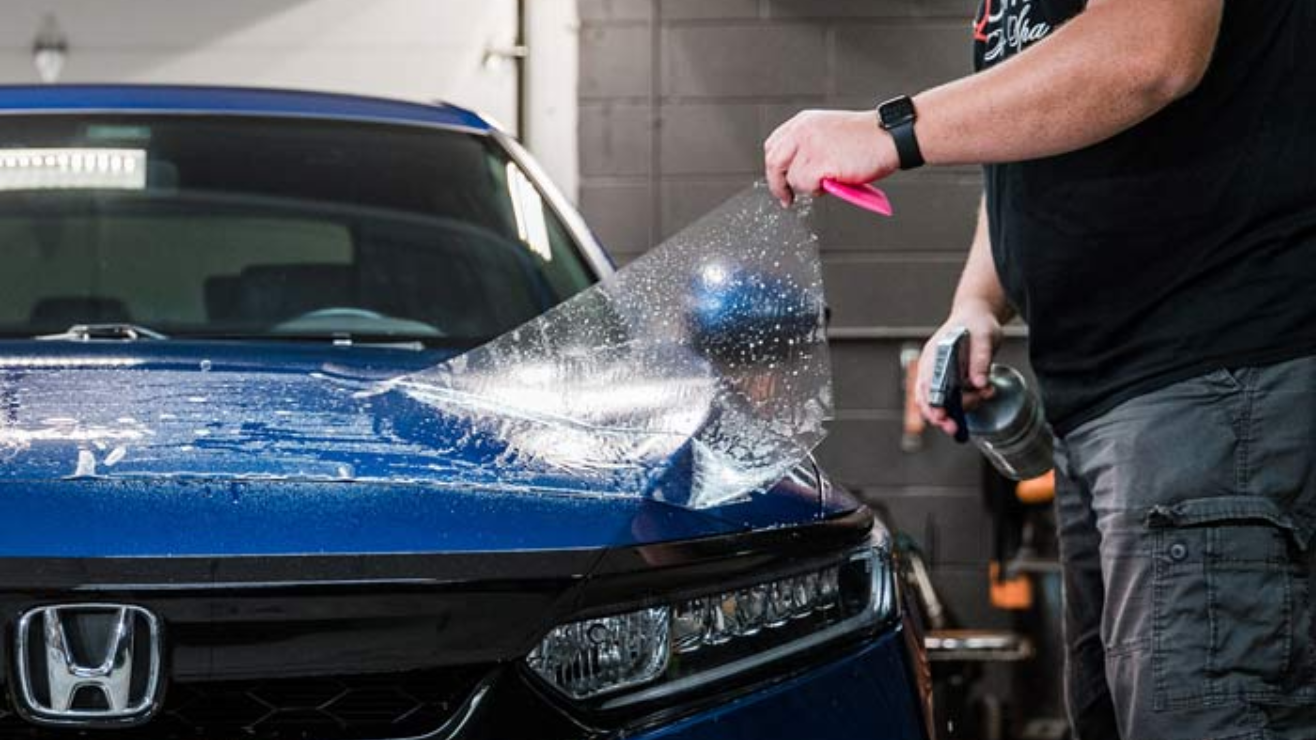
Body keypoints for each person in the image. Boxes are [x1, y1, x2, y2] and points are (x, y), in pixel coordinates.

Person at [763, 1, 1316, 738]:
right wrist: (976, 302)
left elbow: (1147, 52)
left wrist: (889, 130)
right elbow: (1047, 128)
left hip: (1213, 389)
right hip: (1111, 404)